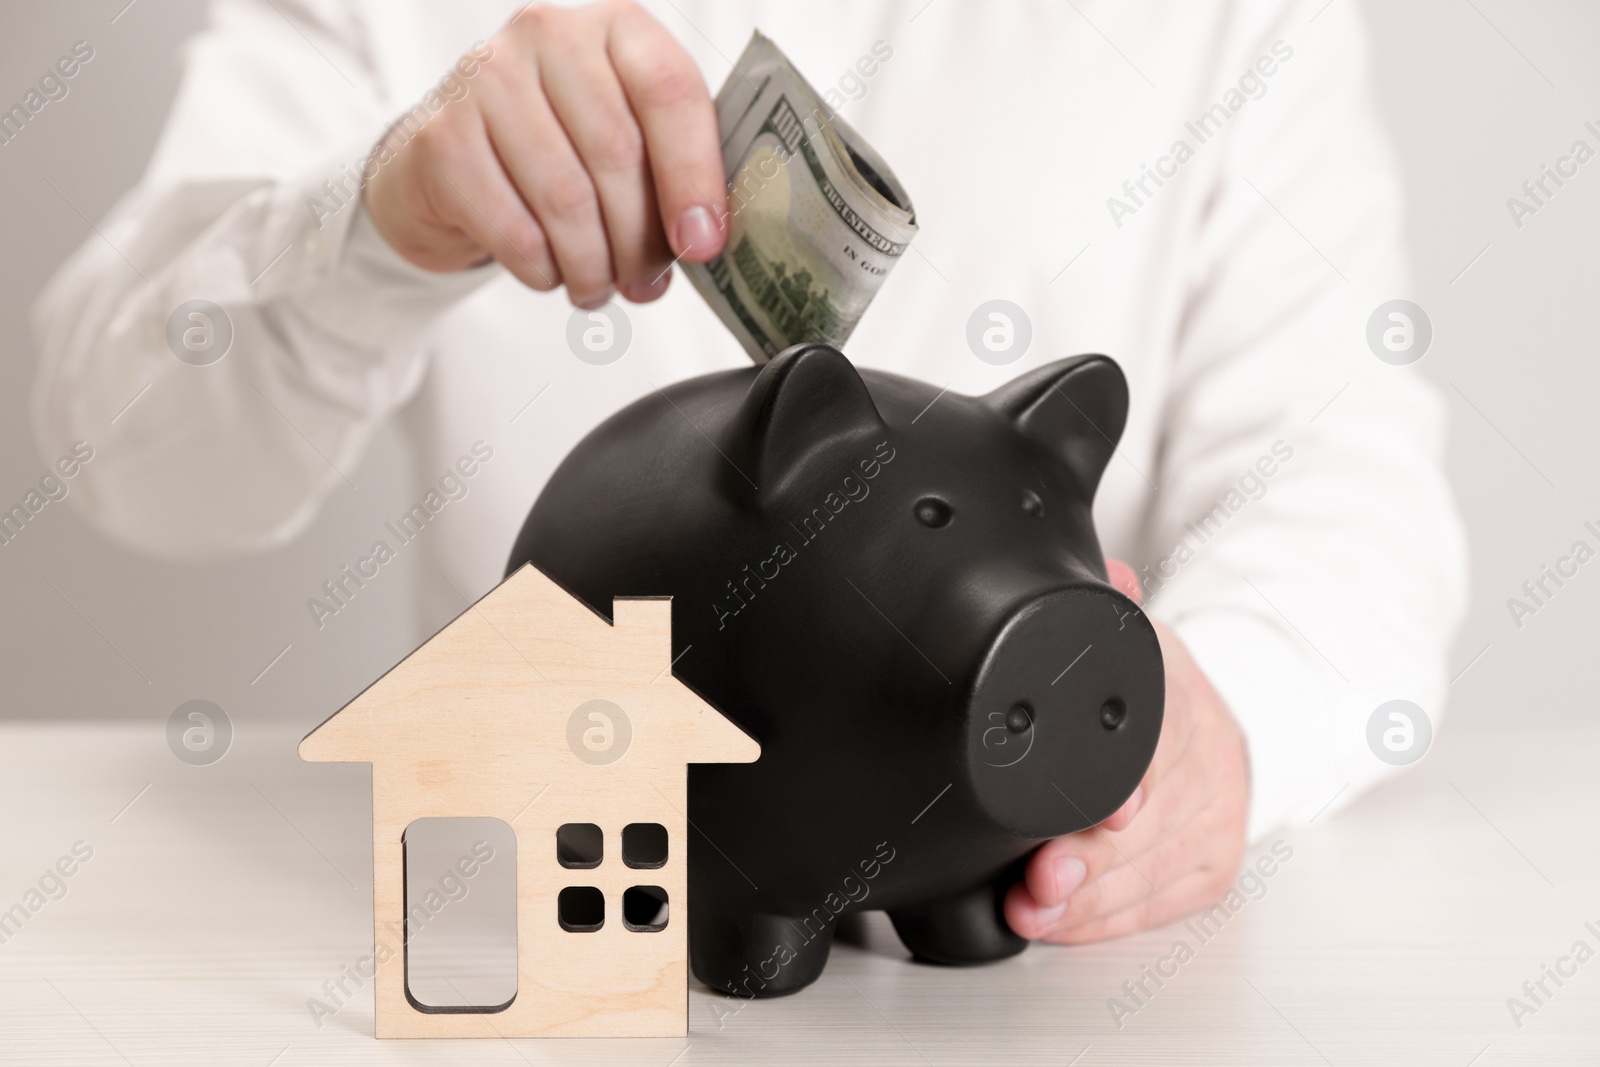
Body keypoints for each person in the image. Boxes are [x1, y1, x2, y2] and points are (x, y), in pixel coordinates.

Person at [30, 0, 1465, 947]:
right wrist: (377, 218)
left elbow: (1347, 473)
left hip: (1029, 945)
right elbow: (136, 464)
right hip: (540, 913)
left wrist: (1228, 724)